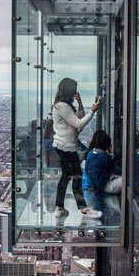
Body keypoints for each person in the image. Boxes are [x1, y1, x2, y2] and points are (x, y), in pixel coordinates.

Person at [52, 77, 102, 219]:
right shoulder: (63, 106)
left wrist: (80, 103)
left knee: (66, 177)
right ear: (69, 90)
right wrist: (92, 111)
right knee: (77, 177)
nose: (75, 92)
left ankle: (59, 208)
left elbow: (75, 119)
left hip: (62, 146)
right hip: (67, 147)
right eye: (74, 89)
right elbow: (79, 124)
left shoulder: (61, 106)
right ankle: (84, 209)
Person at [82, 130, 121, 211]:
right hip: (104, 187)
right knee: (127, 178)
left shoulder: (91, 154)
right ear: (107, 145)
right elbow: (115, 171)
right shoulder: (105, 157)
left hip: (90, 186)